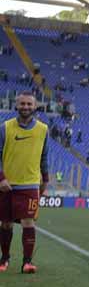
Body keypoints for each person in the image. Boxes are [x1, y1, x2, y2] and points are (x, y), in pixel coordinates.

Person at [0, 92, 49, 274]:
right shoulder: (5, 128)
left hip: (30, 185)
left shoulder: (43, 129)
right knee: (6, 223)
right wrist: (1, 178)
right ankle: (4, 259)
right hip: (7, 185)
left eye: (29, 104)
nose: (26, 107)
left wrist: (46, 180)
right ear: (16, 105)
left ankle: (27, 262)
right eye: (22, 104)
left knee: (29, 222)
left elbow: (44, 157)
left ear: (35, 106)